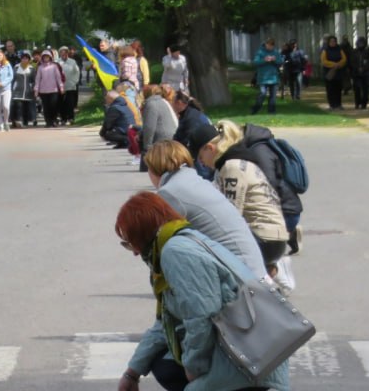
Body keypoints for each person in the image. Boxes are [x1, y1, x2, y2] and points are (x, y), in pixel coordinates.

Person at [114, 191, 290, 391]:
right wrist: (133, 372)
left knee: (172, 369)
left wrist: (194, 367)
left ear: (143, 232)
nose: (135, 252)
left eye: (130, 242)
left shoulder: (176, 252)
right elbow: (166, 322)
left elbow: (202, 315)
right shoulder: (181, 240)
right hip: (245, 348)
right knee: (163, 363)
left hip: (248, 360)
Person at [145, 140, 267, 278]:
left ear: (154, 167)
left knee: (171, 250)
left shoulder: (170, 191)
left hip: (239, 274)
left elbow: (156, 240)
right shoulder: (193, 179)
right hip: (251, 266)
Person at [197, 121, 289, 276]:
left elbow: (231, 215)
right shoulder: (238, 160)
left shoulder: (232, 167)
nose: (201, 162)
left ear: (210, 148)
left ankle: (264, 281)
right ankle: (268, 277)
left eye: (200, 156)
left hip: (265, 238)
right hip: (273, 235)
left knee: (208, 247)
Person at [139, 86, 178, 170]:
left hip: (162, 137)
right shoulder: (164, 101)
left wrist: (147, 146)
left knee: (140, 136)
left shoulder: (151, 104)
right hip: (172, 134)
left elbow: (149, 127)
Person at [34, 49, 66, 127]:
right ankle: (48, 121)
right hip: (43, 90)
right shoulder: (40, 67)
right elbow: (37, 79)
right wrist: (36, 90)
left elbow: (58, 78)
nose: (46, 58)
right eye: (44, 57)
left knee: (53, 106)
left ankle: (53, 120)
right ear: (42, 58)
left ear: (50, 57)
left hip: (54, 90)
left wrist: (61, 87)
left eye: (47, 57)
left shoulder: (54, 66)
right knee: (46, 107)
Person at [250, 38, 282, 114]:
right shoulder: (260, 52)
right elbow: (255, 62)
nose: (270, 47)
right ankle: (255, 108)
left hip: (273, 77)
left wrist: (274, 60)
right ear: (266, 44)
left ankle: (271, 112)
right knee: (262, 93)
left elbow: (280, 62)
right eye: (269, 45)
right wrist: (264, 60)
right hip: (262, 77)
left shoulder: (275, 52)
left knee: (273, 96)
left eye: (272, 45)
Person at [319, 34, 347, 110]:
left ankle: (338, 104)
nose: (333, 43)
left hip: (338, 72)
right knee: (330, 89)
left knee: (338, 89)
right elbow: (324, 61)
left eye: (334, 41)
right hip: (329, 72)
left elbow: (344, 59)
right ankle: (332, 104)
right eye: (331, 41)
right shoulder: (325, 50)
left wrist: (338, 64)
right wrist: (333, 64)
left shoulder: (339, 49)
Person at [10, 51, 37, 128]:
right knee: (18, 106)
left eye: (26, 58)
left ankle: (25, 122)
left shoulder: (32, 68)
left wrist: (33, 87)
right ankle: (17, 121)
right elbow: (12, 78)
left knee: (26, 107)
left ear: (29, 59)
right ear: (21, 59)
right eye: (23, 58)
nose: (24, 60)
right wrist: (12, 88)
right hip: (17, 90)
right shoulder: (16, 67)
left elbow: (34, 80)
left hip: (28, 91)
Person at [348, 35, 369, 111]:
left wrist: (364, 68)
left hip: (365, 73)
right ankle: (357, 103)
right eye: (359, 43)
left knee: (365, 90)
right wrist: (356, 68)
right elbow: (351, 61)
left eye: (362, 43)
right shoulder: (354, 51)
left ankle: (364, 104)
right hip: (356, 73)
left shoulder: (368, 51)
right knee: (356, 89)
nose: (360, 44)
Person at [59, 46, 81, 126]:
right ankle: (63, 118)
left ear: (67, 53)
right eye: (62, 53)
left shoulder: (73, 62)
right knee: (61, 103)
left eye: (65, 53)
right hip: (61, 86)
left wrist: (75, 82)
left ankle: (70, 118)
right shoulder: (57, 62)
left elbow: (77, 72)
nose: (63, 54)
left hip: (71, 86)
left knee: (70, 103)